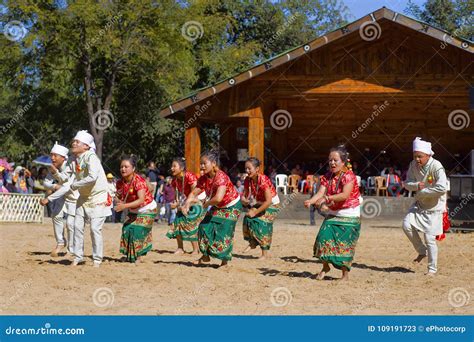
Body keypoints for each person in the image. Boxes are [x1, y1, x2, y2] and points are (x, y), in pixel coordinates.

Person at [304, 145, 361, 281]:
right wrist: (311, 201)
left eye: (335, 160)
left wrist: (326, 199)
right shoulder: (327, 176)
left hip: (349, 213)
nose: (332, 163)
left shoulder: (349, 176)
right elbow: (320, 192)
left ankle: (344, 275)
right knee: (322, 239)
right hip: (334, 213)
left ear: (343, 162)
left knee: (344, 245)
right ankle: (325, 266)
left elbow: (345, 195)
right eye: (330, 160)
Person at [182, 150, 242, 267]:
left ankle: (224, 262)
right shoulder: (204, 178)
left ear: (213, 163)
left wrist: (205, 204)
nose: (201, 166)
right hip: (217, 205)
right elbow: (194, 192)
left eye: (204, 163)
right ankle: (205, 256)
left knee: (224, 232)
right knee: (204, 227)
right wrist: (187, 203)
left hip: (232, 206)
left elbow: (218, 198)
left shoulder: (221, 177)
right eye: (201, 163)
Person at [402, 137, 447, 276]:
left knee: (430, 239)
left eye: (420, 156)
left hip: (434, 207)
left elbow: (442, 187)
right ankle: (422, 251)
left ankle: (432, 269)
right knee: (406, 225)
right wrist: (415, 185)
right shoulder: (412, 165)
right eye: (415, 156)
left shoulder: (436, 166)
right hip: (420, 204)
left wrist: (423, 191)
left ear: (428, 155)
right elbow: (406, 183)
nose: (417, 159)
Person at [70, 130, 111, 267]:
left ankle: (97, 259)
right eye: (74, 141)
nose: (74, 143)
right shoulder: (76, 160)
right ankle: (78, 256)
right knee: (76, 226)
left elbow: (92, 177)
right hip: (84, 197)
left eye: (77, 142)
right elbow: (69, 179)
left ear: (86, 146)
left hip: (98, 196)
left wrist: (76, 184)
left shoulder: (91, 157)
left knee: (94, 229)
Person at [115, 155, 157, 264]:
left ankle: (138, 257)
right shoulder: (120, 182)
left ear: (133, 168)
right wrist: (116, 200)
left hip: (147, 208)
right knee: (127, 229)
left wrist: (124, 206)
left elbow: (141, 200)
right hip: (134, 210)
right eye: (121, 167)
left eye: (126, 167)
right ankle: (129, 255)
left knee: (137, 231)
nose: (123, 169)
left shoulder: (138, 181)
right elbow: (118, 196)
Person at [40, 143, 79, 256]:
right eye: (51, 155)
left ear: (63, 157)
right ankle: (60, 243)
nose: (52, 158)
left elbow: (67, 187)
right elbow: (46, 182)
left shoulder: (71, 165)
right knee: (55, 216)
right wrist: (55, 186)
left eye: (55, 155)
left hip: (74, 196)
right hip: (61, 195)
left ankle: (71, 250)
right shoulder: (53, 167)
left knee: (70, 224)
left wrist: (49, 199)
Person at [241, 157, 280, 259]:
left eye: (249, 168)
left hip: (272, 204)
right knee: (247, 218)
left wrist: (255, 212)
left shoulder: (263, 180)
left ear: (257, 169)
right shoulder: (247, 180)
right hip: (260, 202)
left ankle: (264, 254)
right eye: (246, 169)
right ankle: (253, 242)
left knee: (262, 223)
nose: (247, 171)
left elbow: (268, 201)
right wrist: (243, 199)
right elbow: (244, 195)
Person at [166, 157, 206, 255]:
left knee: (189, 219)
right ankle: (180, 248)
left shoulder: (189, 176)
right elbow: (177, 198)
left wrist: (186, 206)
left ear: (182, 167)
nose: (172, 168)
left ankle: (196, 249)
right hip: (188, 200)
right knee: (178, 220)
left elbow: (194, 194)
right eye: (172, 166)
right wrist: (176, 204)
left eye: (174, 166)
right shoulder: (175, 181)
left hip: (199, 199)